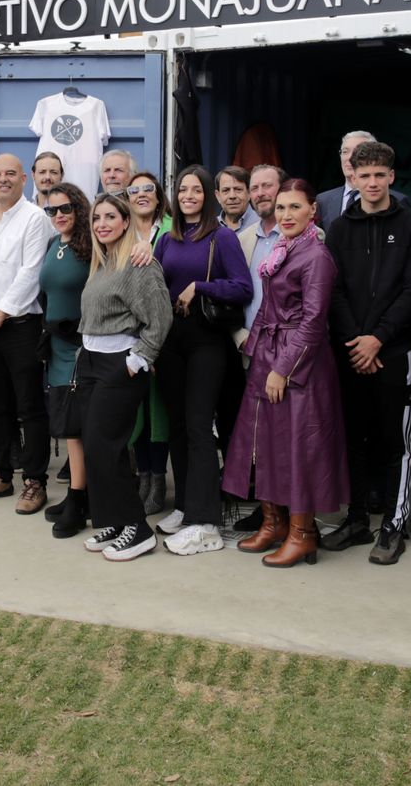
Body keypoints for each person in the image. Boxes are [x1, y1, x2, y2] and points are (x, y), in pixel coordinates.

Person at [223, 178, 346, 567]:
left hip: (299, 361)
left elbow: (312, 322)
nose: (286, 215)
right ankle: (274, 524)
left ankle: (302, 534)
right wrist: (253, 345)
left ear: (313, 211)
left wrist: (282, 369)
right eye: (281, 208)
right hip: (268, 353)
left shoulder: (316, 256)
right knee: (263, 442)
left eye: (295, 207)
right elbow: (268, 308)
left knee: (298, 447)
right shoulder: (281, 250)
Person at [323, 140, 411, 564]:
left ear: (391, 177)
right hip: (350, 352)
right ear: (352, 177)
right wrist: (356, 340)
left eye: (378, 175)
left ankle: (392, 524)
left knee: (392, 442)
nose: (371, 182)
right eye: (362, 175)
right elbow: (334, 289)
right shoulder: (340, 229)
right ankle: (356, 519)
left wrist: (378, 339)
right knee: (353, 438)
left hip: (392, 352)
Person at [152, 165, 252, 556]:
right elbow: (156, 287)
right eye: (183, 190)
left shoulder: (221, 237)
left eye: (197, 190)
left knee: (197, 427)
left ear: (208, 195)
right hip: (172, 342)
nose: (189, 195)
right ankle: (185, 505)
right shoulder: (169, 238)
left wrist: (200, 286)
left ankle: (206, 522)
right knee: (177, 425)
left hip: (207, 342)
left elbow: (242, 287)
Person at [79, 192, 174, 561]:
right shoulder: (102, 263)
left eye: (110, 217)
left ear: (125, 221)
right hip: (91, 362)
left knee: (108, 445)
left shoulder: (139, 263)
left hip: (120, 366)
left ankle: (138, 530)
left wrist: (140, 359)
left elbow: (160, 317)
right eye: (97, 218)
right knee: (96, 448)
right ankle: (116, 521)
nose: (102, 224)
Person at [0, 153, 54, 514]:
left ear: (24, 179)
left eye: (10, 174)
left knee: (30, 406)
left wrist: (1, 312)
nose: (3, 180)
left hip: (20, 325)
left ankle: (35, 481)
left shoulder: (35, 219)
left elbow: (31, 272)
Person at [223, 164, 286, 534]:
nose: (262, 192)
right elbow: (233, 295)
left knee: (284, 437)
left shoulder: (305, 236)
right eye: (256, 187)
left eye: (268, 186)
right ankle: (268, 513)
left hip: (288, 356)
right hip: (250, 349)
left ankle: (291, 515)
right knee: (257, 438)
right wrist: (240, 336)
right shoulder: (242, 239)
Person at [37, 183, 93, 536]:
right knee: (70, 427)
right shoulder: (53, 244)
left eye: (65, 209)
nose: (58, 216)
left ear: (79, 209)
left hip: (82, 344)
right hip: (56, 343)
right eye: (51, 211)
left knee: (80, 426)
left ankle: (80, 497)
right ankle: (78, 492)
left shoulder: (93, 246)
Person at [126, 170, 174, 514]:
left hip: (165, 334)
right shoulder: (119, 229)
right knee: (135, 411)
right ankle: (141, 477)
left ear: (158, 195)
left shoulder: (174, 228)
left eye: (148, 189)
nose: (141, 194)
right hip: (127, 335)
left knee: (159, 412)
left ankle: (158, 480)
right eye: (134, 190)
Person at [215, 166, 257, 232]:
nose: (232, 196)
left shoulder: (263, 224)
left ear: (249, 193)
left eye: (238, 189)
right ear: (218, 196)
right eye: (226, 190)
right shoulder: (209, 228)